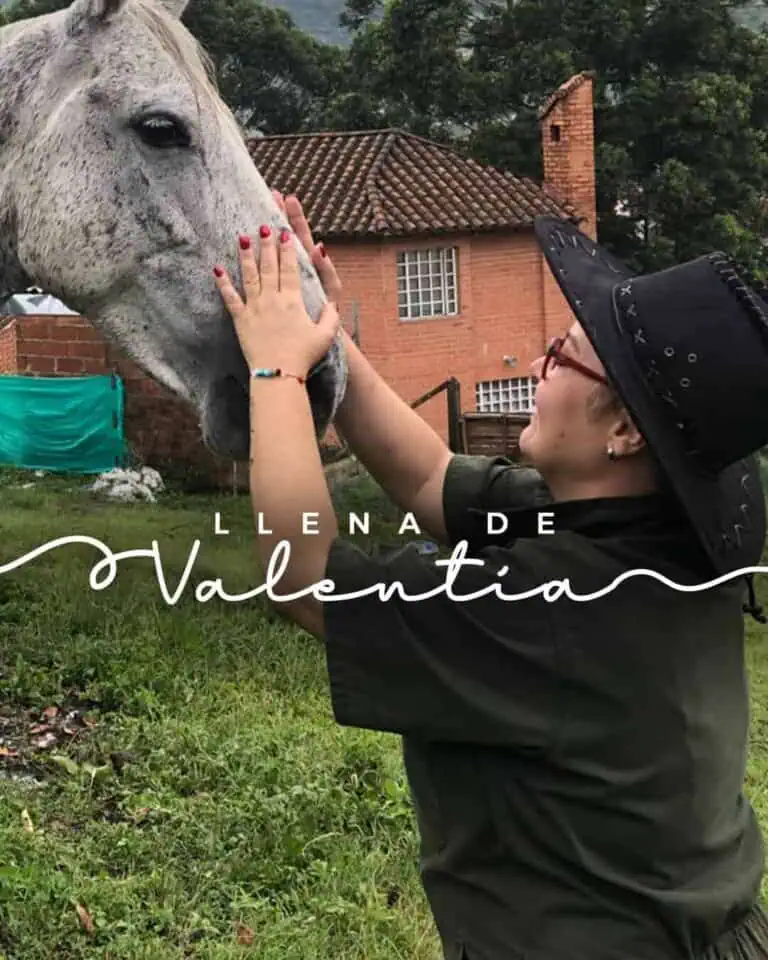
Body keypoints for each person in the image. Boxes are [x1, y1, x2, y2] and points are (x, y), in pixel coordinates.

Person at [211, 198, 768, 960]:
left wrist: (275, 368)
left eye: (564, 355)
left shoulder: (550, 608)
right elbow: (430, 477)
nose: (539, 362)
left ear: (626, 431)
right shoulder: (636, 533)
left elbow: (302, 576)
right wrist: (320, 320)